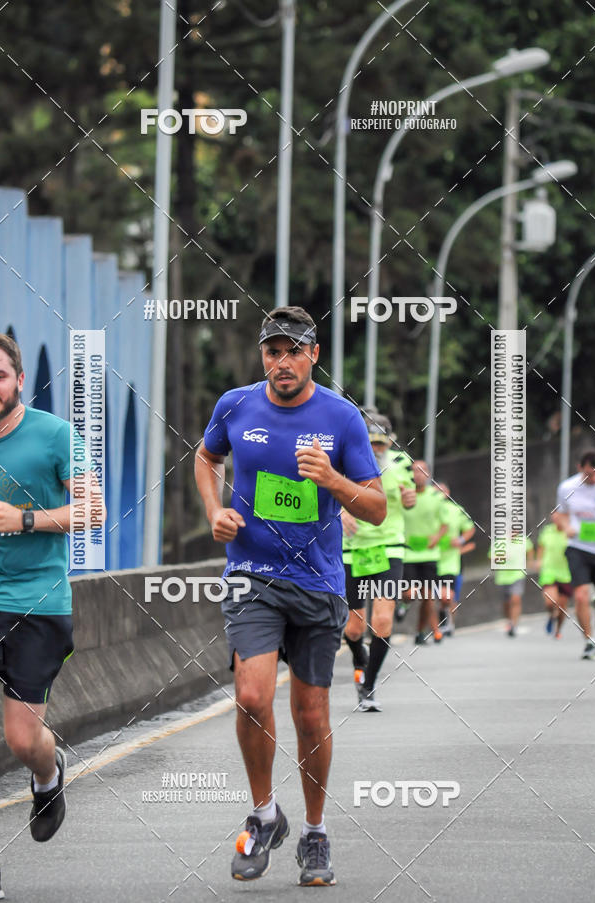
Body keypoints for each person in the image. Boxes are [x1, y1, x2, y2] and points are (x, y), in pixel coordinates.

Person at [194, 307, 386, 886]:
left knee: (310, 715)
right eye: (273, 351)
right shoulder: (236, 405)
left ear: (314, 356)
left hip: (318, 583)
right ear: (262, 357)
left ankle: (315, 831)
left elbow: (375, 509)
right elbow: (207, 457)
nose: (283, 362)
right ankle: (263, 815)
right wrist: (215, 512)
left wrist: (333, 481)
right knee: (252, 697)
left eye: (294, 351)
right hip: (251, 575)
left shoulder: (341, 417)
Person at [0, 334, 105, 859]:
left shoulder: (57, 435)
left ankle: (47, 772)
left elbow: (93, 511)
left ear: (19, 380)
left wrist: (21, 519)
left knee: (23, 740)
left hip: (35, 601)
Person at [341, 411, 416, 712]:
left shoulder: (401, 464)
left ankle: (369, 686)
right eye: (370, 442)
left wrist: (411, 499)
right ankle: (359, 655)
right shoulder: (344, 462)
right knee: (354, 629)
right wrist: (342, 512)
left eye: (381, 444)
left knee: (382, 620)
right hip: (355, 550)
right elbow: (328, 495)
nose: (376, 449)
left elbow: (410, 496)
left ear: (390, 441)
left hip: (390, 547)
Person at [555, 449, 595, 659]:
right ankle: (590, 641)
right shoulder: (567, 488)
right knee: (581, 595)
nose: (594, 479)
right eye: (590, 474)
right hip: (578, 548)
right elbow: (558, 514)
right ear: (580, 468)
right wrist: (565, 527)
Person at [402, 462, 448, 645]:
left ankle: (420, 631)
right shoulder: (404, 495)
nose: (418, 475)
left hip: (429, 555)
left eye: (422, 471)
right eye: (415, 471)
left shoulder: (436, 498)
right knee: (410, 593)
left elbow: (445, 525)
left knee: (428, 597)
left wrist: (436, 538)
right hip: (409, 554)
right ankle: (404, 604)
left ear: (428, 474)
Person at [436, 483, 475, 636]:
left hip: (453, 561)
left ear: (448, 493)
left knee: (450, 596)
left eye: (442, 491)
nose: (439, 493)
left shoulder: (457, 510)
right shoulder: (428, 508)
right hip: (432, 559)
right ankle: (437, 626)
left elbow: (470, 529)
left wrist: (460, 540)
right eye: (436, 490)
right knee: (433, 596)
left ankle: (449, 623)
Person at [489, 534, 534, 636]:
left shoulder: (523, 540)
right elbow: (491, 557)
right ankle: (509, 620)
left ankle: (514, 625)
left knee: (515, 599)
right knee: (506, 603)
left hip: (517, 575)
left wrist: (530, 561)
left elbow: (530, 549)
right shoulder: (499, 540)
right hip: (502, 577)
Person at [536, 512, 572, 639]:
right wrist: (539, 560)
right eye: (554, 516)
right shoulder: (547, 531)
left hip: (566, 573)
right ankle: (552, 615)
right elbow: (541, 546)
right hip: (549, 571)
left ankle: (558, 629)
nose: (556, 519)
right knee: (550, 602)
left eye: (559, 516)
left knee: (562, 607)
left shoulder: (570, 532)